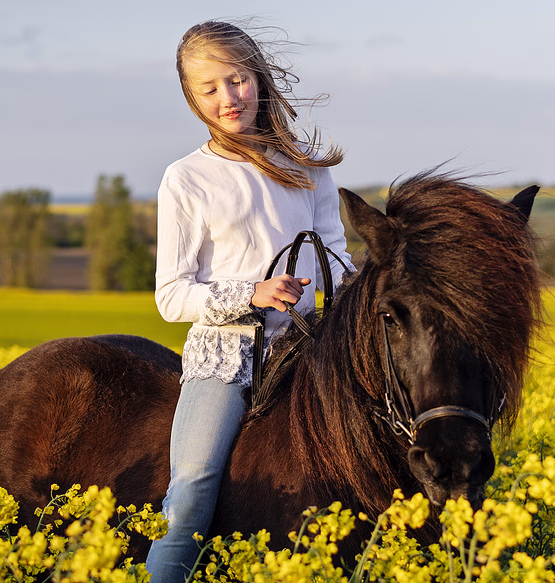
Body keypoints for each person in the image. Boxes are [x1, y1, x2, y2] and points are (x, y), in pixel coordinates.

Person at [147, 20, 353, 583]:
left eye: (237, 80)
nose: (228, 98)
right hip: (230, 352)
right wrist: (252, 293)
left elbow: (336, 255)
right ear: (192, 98)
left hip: (313, 347)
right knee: (190, 486)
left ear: (257, 79)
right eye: (209, 88)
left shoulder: (306, 166)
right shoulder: (186, 179)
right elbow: (171, 296)